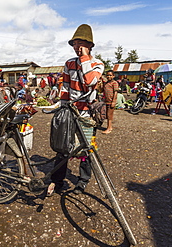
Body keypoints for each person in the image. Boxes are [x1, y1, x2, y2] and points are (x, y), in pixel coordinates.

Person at [47, 24, 104, 196]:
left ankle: (82, 181)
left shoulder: (97, 64)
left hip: (87, 114)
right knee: (63, 147)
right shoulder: (69, 64)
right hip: (70, 112)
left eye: (80, 44)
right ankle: (57, 181)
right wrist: (61, 108)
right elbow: (64, 88)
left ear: (90, 46)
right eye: (74, 44)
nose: (77, 48)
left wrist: (85, 58)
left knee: (86, 149)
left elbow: (90, 81)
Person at [102, 70, 119, 134]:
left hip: (111, 101)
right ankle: (110, 127)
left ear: (113, 76)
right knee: (107, 114)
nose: (109, 76)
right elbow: (101, 90)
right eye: (108, 75)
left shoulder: (114, 83)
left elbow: (115, 92)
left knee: (109, 115)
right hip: (106, 101)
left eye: (110, 75)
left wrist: (114, 101)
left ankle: (108, 128)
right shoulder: (106, 83)